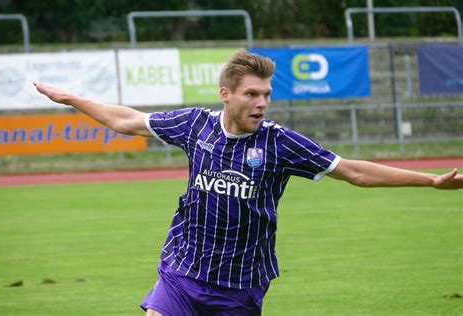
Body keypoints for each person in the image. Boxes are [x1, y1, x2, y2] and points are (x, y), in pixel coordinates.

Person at [34, 49, 462, 316]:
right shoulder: (194, 125)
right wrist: (73, 100)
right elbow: (127, 120)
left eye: (266, 95)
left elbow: (353, 171)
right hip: (181, 272)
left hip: (240, 283)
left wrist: (431, 180)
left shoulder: (280, 144)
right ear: (226, 94)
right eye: (251, 94)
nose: (261, 103)